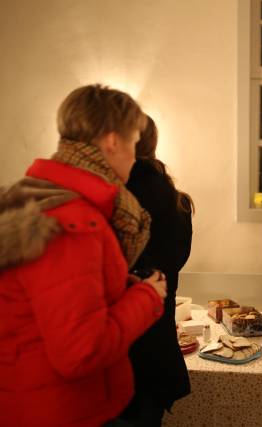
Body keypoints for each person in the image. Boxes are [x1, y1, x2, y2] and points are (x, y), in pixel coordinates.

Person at [0, 84, 167, 427]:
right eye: (134, 144)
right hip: (62, 408)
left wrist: (120, 288)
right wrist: (148, 297)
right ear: (111, 142)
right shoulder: (74, 221)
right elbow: (81, 351)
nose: (135, 157)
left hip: (29, 398)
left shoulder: (35, 196)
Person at [121, 115, 195, 426]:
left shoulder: (122, 200)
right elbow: (176, 262)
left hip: (124, 346)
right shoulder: (177, 202)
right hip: (158, 341)